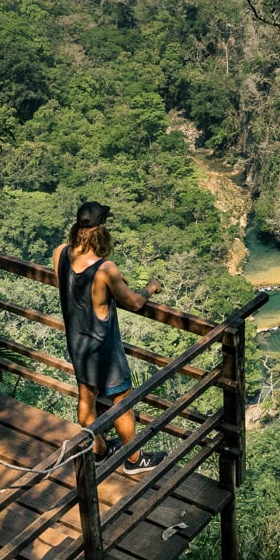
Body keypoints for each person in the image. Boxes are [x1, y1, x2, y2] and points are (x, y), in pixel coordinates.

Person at [53, 201, 166, 473]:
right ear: (101, 229)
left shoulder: (60, 254)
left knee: (86, 397)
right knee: (122, 402)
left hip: (77, 343)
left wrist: (113, 279)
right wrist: (150, 288)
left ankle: (100, 450)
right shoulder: (105, 270)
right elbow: (135, 302)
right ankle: (135, 460)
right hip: (104, 348)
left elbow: (68, 286)